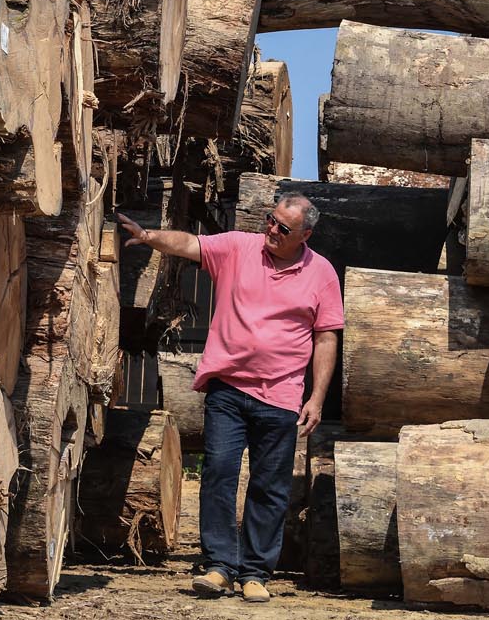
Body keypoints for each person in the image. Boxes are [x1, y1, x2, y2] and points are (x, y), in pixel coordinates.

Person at [116, 193, 342, 603]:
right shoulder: (239, 247)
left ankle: (255, 573)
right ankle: (219, 566)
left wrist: (318, 397)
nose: (272, 230)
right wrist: (149, 236)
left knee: (269, 486)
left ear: (305, 234)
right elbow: (190, 244)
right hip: (228, 389)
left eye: (283, 228)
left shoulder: (322, 273)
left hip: (282, 396)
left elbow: (325, 337)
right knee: (219, 472)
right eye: (271, 220)